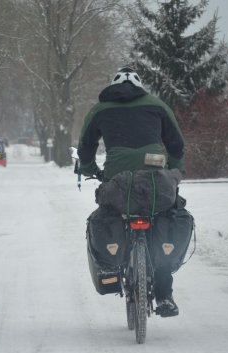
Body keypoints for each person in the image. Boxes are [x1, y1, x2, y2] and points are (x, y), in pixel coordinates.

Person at [77, 65, 185, 317]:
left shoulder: (100, 108)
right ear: (140, 85)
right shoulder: (157, 105)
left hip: (117, 174)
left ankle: (110, 268)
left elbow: (85, 147)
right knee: (165, 217)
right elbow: (176, 143)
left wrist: (91, 169)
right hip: (155, 171)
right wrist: (176, 171)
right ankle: (165, 294)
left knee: (110, 211)